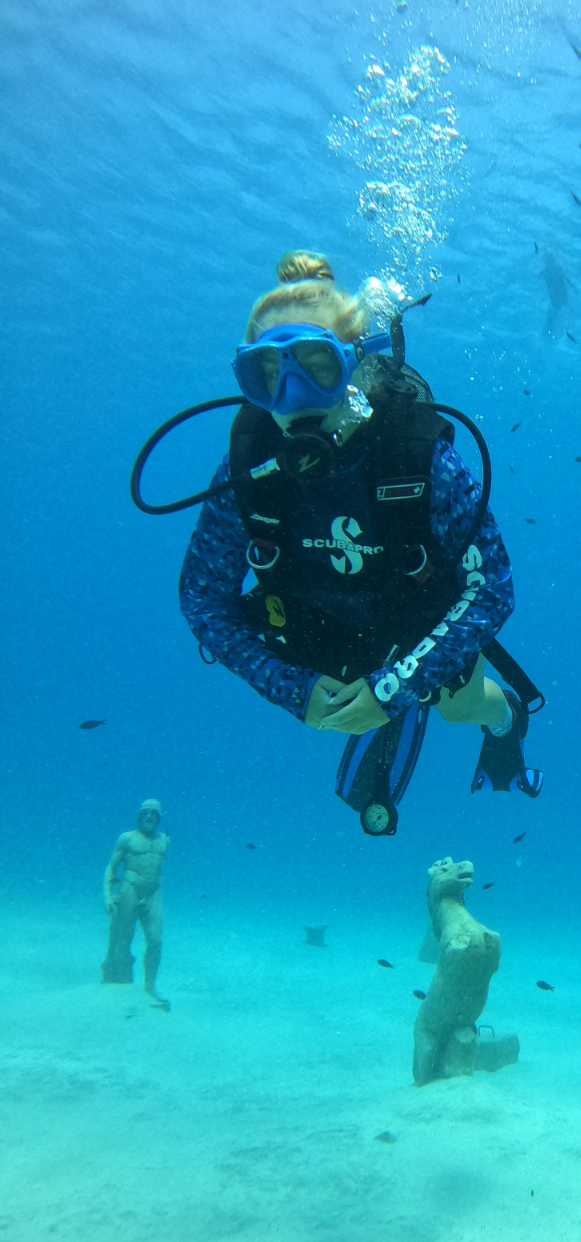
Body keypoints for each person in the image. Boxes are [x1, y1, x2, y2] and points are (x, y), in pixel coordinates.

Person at [178, 252, 540, 814]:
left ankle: (505, 719)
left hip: (418, 621)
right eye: (268, 376)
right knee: (367, 692)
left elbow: (493, 588)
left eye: (317, 368)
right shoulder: (247, 473)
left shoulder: (421, 462)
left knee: (458, 707)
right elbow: (203, 597)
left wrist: (393, 688)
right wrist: (290, 687)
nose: (293, 398)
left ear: (357, 365)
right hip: (316, 630)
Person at [101, 800, 170, 1008]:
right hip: (129, 889)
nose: (149, 816)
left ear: (159, 818)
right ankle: (119, 984)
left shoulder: (165, 841)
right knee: (122, 939)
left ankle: (150, 988)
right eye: (145, 813)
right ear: (139, 816)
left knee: (155, 941)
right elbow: (111, 868)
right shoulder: (127, 838)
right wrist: (107, 895)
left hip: (153, 894)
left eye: (154, 813)